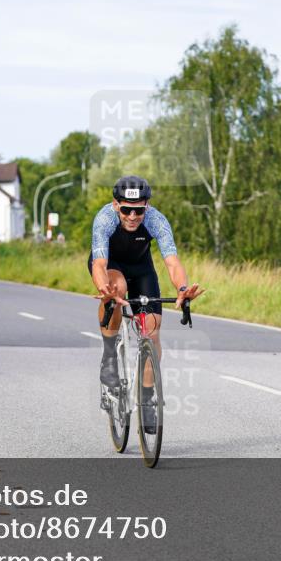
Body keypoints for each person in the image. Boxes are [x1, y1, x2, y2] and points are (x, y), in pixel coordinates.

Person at [88, 176, 204, 432]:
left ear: (147, 206)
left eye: (138, 210)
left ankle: (147, 397)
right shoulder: (104, 219)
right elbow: (98, 264)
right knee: (118, 288)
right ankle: (109, 355)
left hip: (142, 269)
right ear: (116, 205)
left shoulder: (156, 220)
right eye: (126, 209)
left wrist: (183, 289)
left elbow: (172, 261)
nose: (132, 216)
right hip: (111, 267)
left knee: (151, 330)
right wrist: (104, 288)